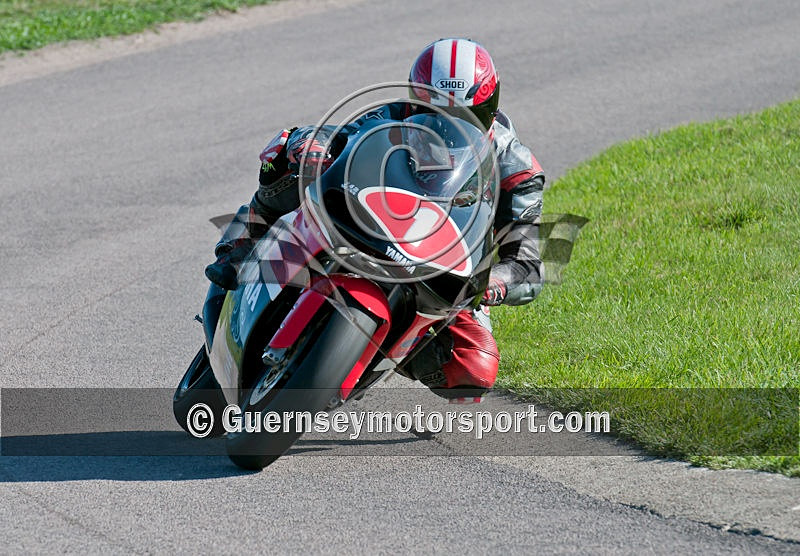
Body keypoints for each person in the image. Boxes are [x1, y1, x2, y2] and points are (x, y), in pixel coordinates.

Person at [205, 38, 545, 401]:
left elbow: (526, 264)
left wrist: (495, 283)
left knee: (473, 367)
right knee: (289, 149)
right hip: (372, 222)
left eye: (462, 117)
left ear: (489, 110)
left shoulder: (517, 170)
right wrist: (315, 144)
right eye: (431, 110)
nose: (446, 129)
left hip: (445, 267)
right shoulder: (393, 114)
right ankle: (240, 245)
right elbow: (342, 140)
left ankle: (372, 356)